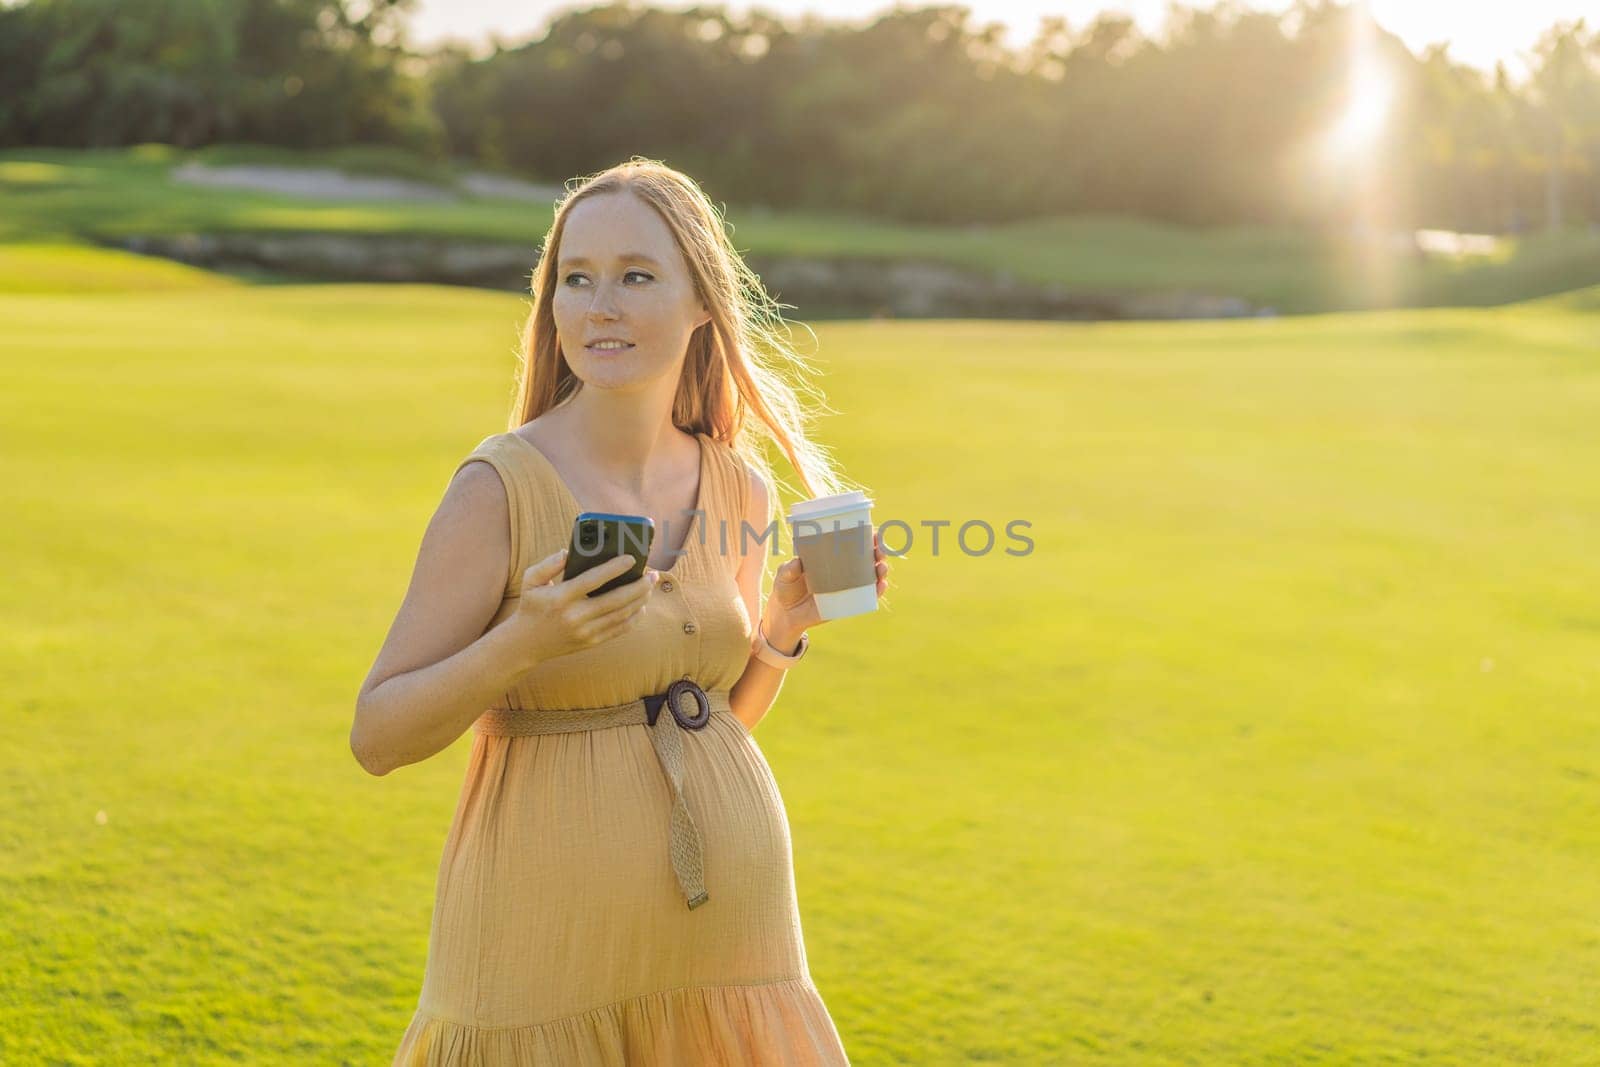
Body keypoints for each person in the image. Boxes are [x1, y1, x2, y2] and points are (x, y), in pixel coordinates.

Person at [349, 157, 891, 1065]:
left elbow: (706, 720)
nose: (601, 304)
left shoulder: (737, 484)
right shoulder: (498, 488)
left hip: (733, 941)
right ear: (551, 306)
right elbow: (378, 736)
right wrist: (528, 637)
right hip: (542, 942)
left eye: (637, 275)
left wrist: (781, 632)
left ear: (700, 305)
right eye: (577, 278)